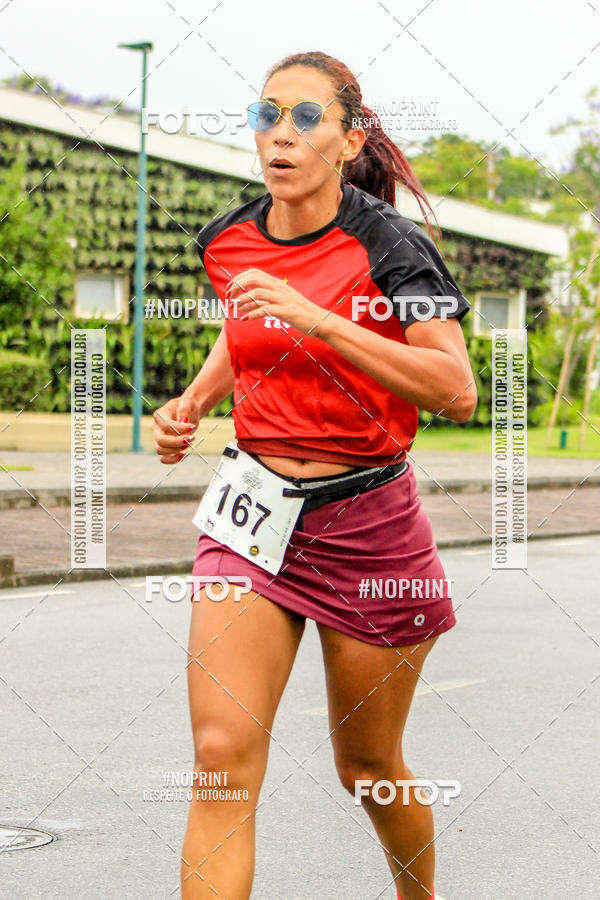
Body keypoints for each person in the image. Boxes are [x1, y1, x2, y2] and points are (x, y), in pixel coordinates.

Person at [153, 50, 477, 900]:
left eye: (305, 118)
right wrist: (190, 400)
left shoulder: (392, 247)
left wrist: (320, 320)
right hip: (252, 513)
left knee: (367, 766)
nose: (281, 135)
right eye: (267, 116)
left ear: (349, 137)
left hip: (366, 527)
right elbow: (243, 324)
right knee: (220, 755)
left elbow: (455, 389)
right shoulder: (230, 238)